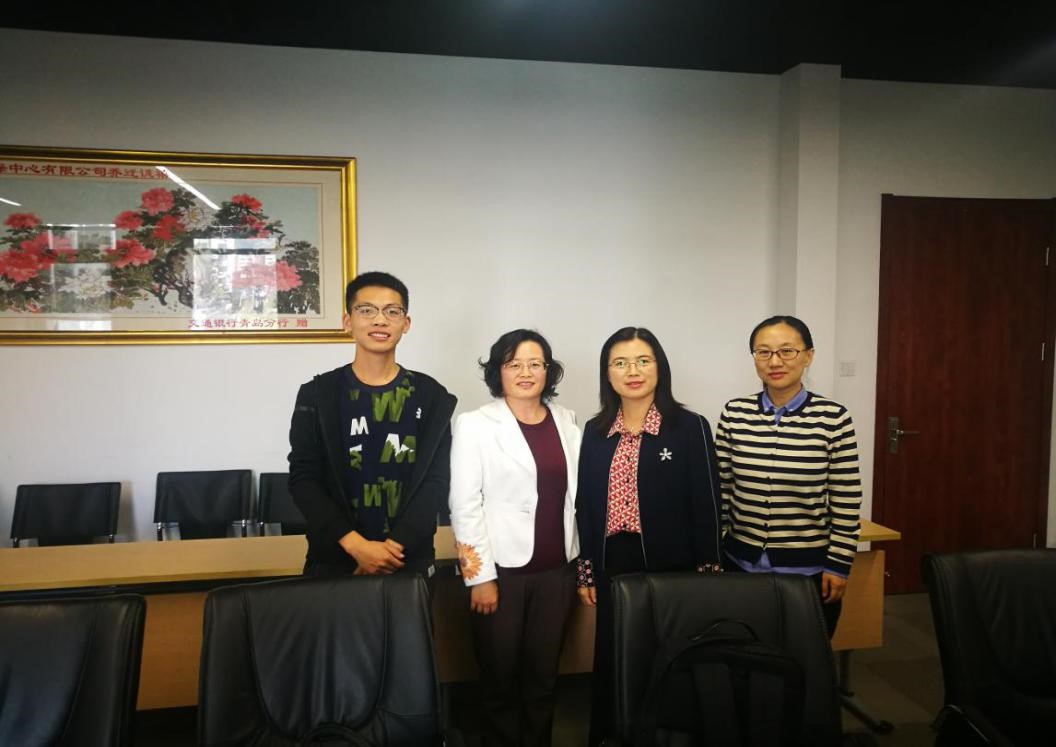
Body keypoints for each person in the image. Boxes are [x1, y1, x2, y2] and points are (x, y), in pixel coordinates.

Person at [575, 326, 722, 746]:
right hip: (613, 562)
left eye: (643, 360)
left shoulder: (689, 427)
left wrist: (710, 568)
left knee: (669, 657)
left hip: (673, 565)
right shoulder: (596, 430)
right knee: (616, 654)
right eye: (620, 363)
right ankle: (613, 735)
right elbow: (586, 505)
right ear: (607, 373)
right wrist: (587, 571)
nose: (633, 371)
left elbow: (708, 501)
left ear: (660, 367)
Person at [449, 329, 582, 747]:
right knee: (499, 678)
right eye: (514, 364)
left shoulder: (567, 421)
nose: (526, 372)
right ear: (498, 372)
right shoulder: (475, 424)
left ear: (548, 370)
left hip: (558, 571)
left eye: (535, 364)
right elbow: (464, 504)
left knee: (544, 676)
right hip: (501, 574)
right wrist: (479, 577)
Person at [287, 271, 456, 579]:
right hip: (335, 562)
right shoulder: (318, 394)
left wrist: (393, 548)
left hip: (408, 561)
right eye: (366, 310)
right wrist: (357, 546)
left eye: (392, 311)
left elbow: (437, 480)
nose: (380, 320)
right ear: (347, 320)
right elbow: (303, 479)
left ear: (406, 323)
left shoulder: (431, 396)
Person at [715, 315, 862, 637]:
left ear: (808, 355)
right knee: (742, 652)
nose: (775, 361)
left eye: (787, 351)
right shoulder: (734, 413)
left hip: (809, 572)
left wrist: (839, 565)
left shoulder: (833, 418)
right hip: (741, 566)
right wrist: (714, 555)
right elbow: (722, 490)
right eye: (763, 352)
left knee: (803, 656)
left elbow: (847, 499)